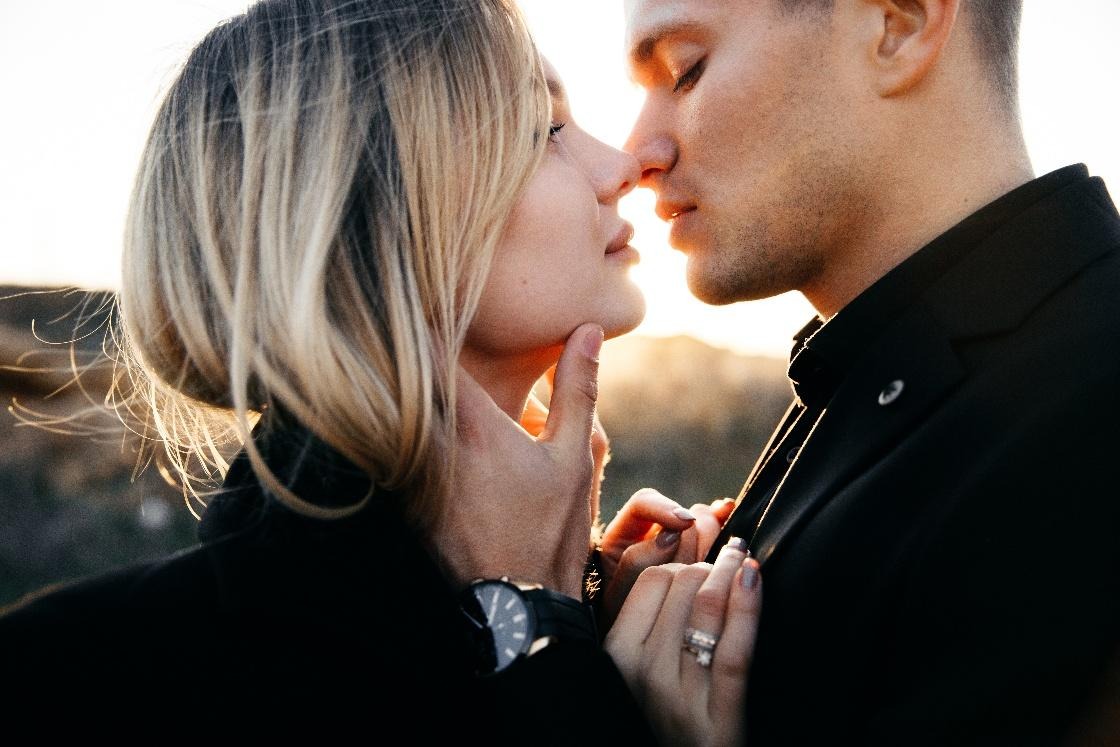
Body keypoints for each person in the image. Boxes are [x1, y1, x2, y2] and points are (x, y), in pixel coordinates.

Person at [0, 1, 760, 742]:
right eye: (542, 128)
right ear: (371, 221)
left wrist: (573, 611)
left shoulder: (597, 615)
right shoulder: (72, 683)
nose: (623, 163)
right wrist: (536, 641)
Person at [458, 0, 1120, 744]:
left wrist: (534, 636)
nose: (637, 152)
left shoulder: (1087, 416)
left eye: (686, 70)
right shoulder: (868, 376)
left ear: (896, 24)